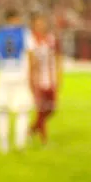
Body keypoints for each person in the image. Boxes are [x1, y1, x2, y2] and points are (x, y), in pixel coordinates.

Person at [0, 9, 35, 153]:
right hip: (20, 74)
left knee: (2, 111)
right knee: (23, 110)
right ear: (14, 18)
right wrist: (31, 74)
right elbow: (30, 53)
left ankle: (3, 145)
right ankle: (20, 142)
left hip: (3, 74)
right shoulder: (24, 32)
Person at [29, 13, 62, 145]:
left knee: (52, 109)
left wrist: (59, 75)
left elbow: (58, 57)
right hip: (38, 80)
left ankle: (31, 130)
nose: (41, 25)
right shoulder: (31, 40)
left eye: (42, 23)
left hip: (50, 78)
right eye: (38, 23)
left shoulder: (51, 39)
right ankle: (44, 140)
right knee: (41, 110)